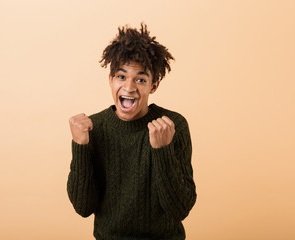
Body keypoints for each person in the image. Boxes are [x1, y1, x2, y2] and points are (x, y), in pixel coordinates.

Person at [67, 23, 197, 240]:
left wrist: (162, 150)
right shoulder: (93, 128)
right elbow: (83, 207)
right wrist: (80, 146)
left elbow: (180, 209)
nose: (129, 88)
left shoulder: (173, 126)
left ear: (153, 86)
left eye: (140, 79)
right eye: (121, 76)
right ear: (110, 80)